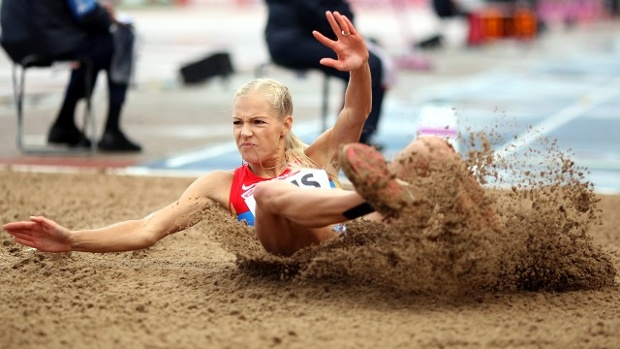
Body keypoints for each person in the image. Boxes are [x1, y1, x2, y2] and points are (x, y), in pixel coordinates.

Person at [3, 11, 495, 258]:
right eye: (237, 123)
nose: (244, 133)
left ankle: (497, 241)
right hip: (296, 254)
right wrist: (72, 239)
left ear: (285, 127)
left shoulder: (315, 155)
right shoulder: (221, 185)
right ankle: (377, 197)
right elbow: (147, 228)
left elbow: (355, 109)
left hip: (354, 245)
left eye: (257, 122)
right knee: (272, 194)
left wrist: (361, 68)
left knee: (430, 147)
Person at [0, 0, 141, 152]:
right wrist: (107, 14)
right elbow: (88, 14)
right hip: (50, 40)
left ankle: (64, 122)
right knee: (120, 38)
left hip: (16, 44)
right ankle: (112, 129)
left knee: (91, 51)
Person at [263, 0, 395, 148]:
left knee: (370, 62)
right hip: (292, 42)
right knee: (371, 65)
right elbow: (330, 18)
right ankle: (354, 139)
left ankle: (352, 136)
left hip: (294, 38)